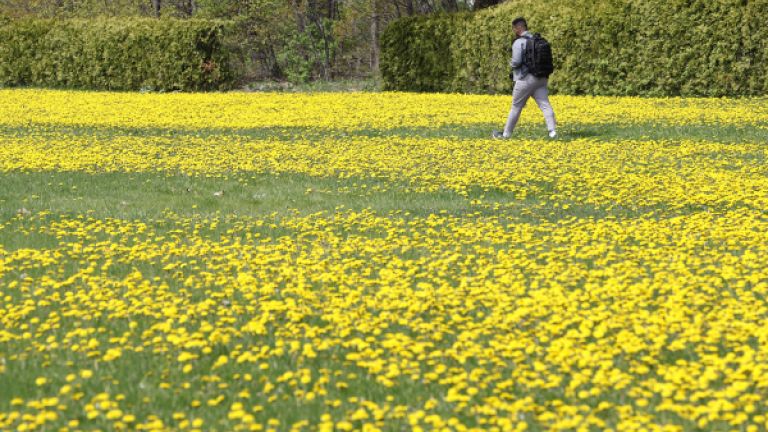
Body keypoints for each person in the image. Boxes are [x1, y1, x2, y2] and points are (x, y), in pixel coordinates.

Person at [493, 17, 557, 139]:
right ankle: (552, 132)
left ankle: (505, 134)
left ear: (518, 28)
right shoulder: (537, 40)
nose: (513, 31)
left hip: (526, 79)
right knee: (545, 104)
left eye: (514, 28)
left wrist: (510, 64)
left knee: (516, 106)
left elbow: (516, 62)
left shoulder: (519, 42)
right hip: (541, 78)